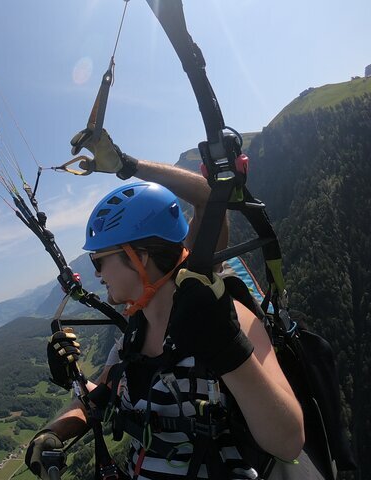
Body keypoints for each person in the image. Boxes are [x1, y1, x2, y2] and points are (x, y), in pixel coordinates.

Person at [25, 130, 308, 479]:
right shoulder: (134, 335)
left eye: (100, 261)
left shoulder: (226, 319)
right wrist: (54, 431)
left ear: (140, 257)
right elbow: (102, 391)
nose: (97, 274)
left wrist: (128, 165)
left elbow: (289, 441)